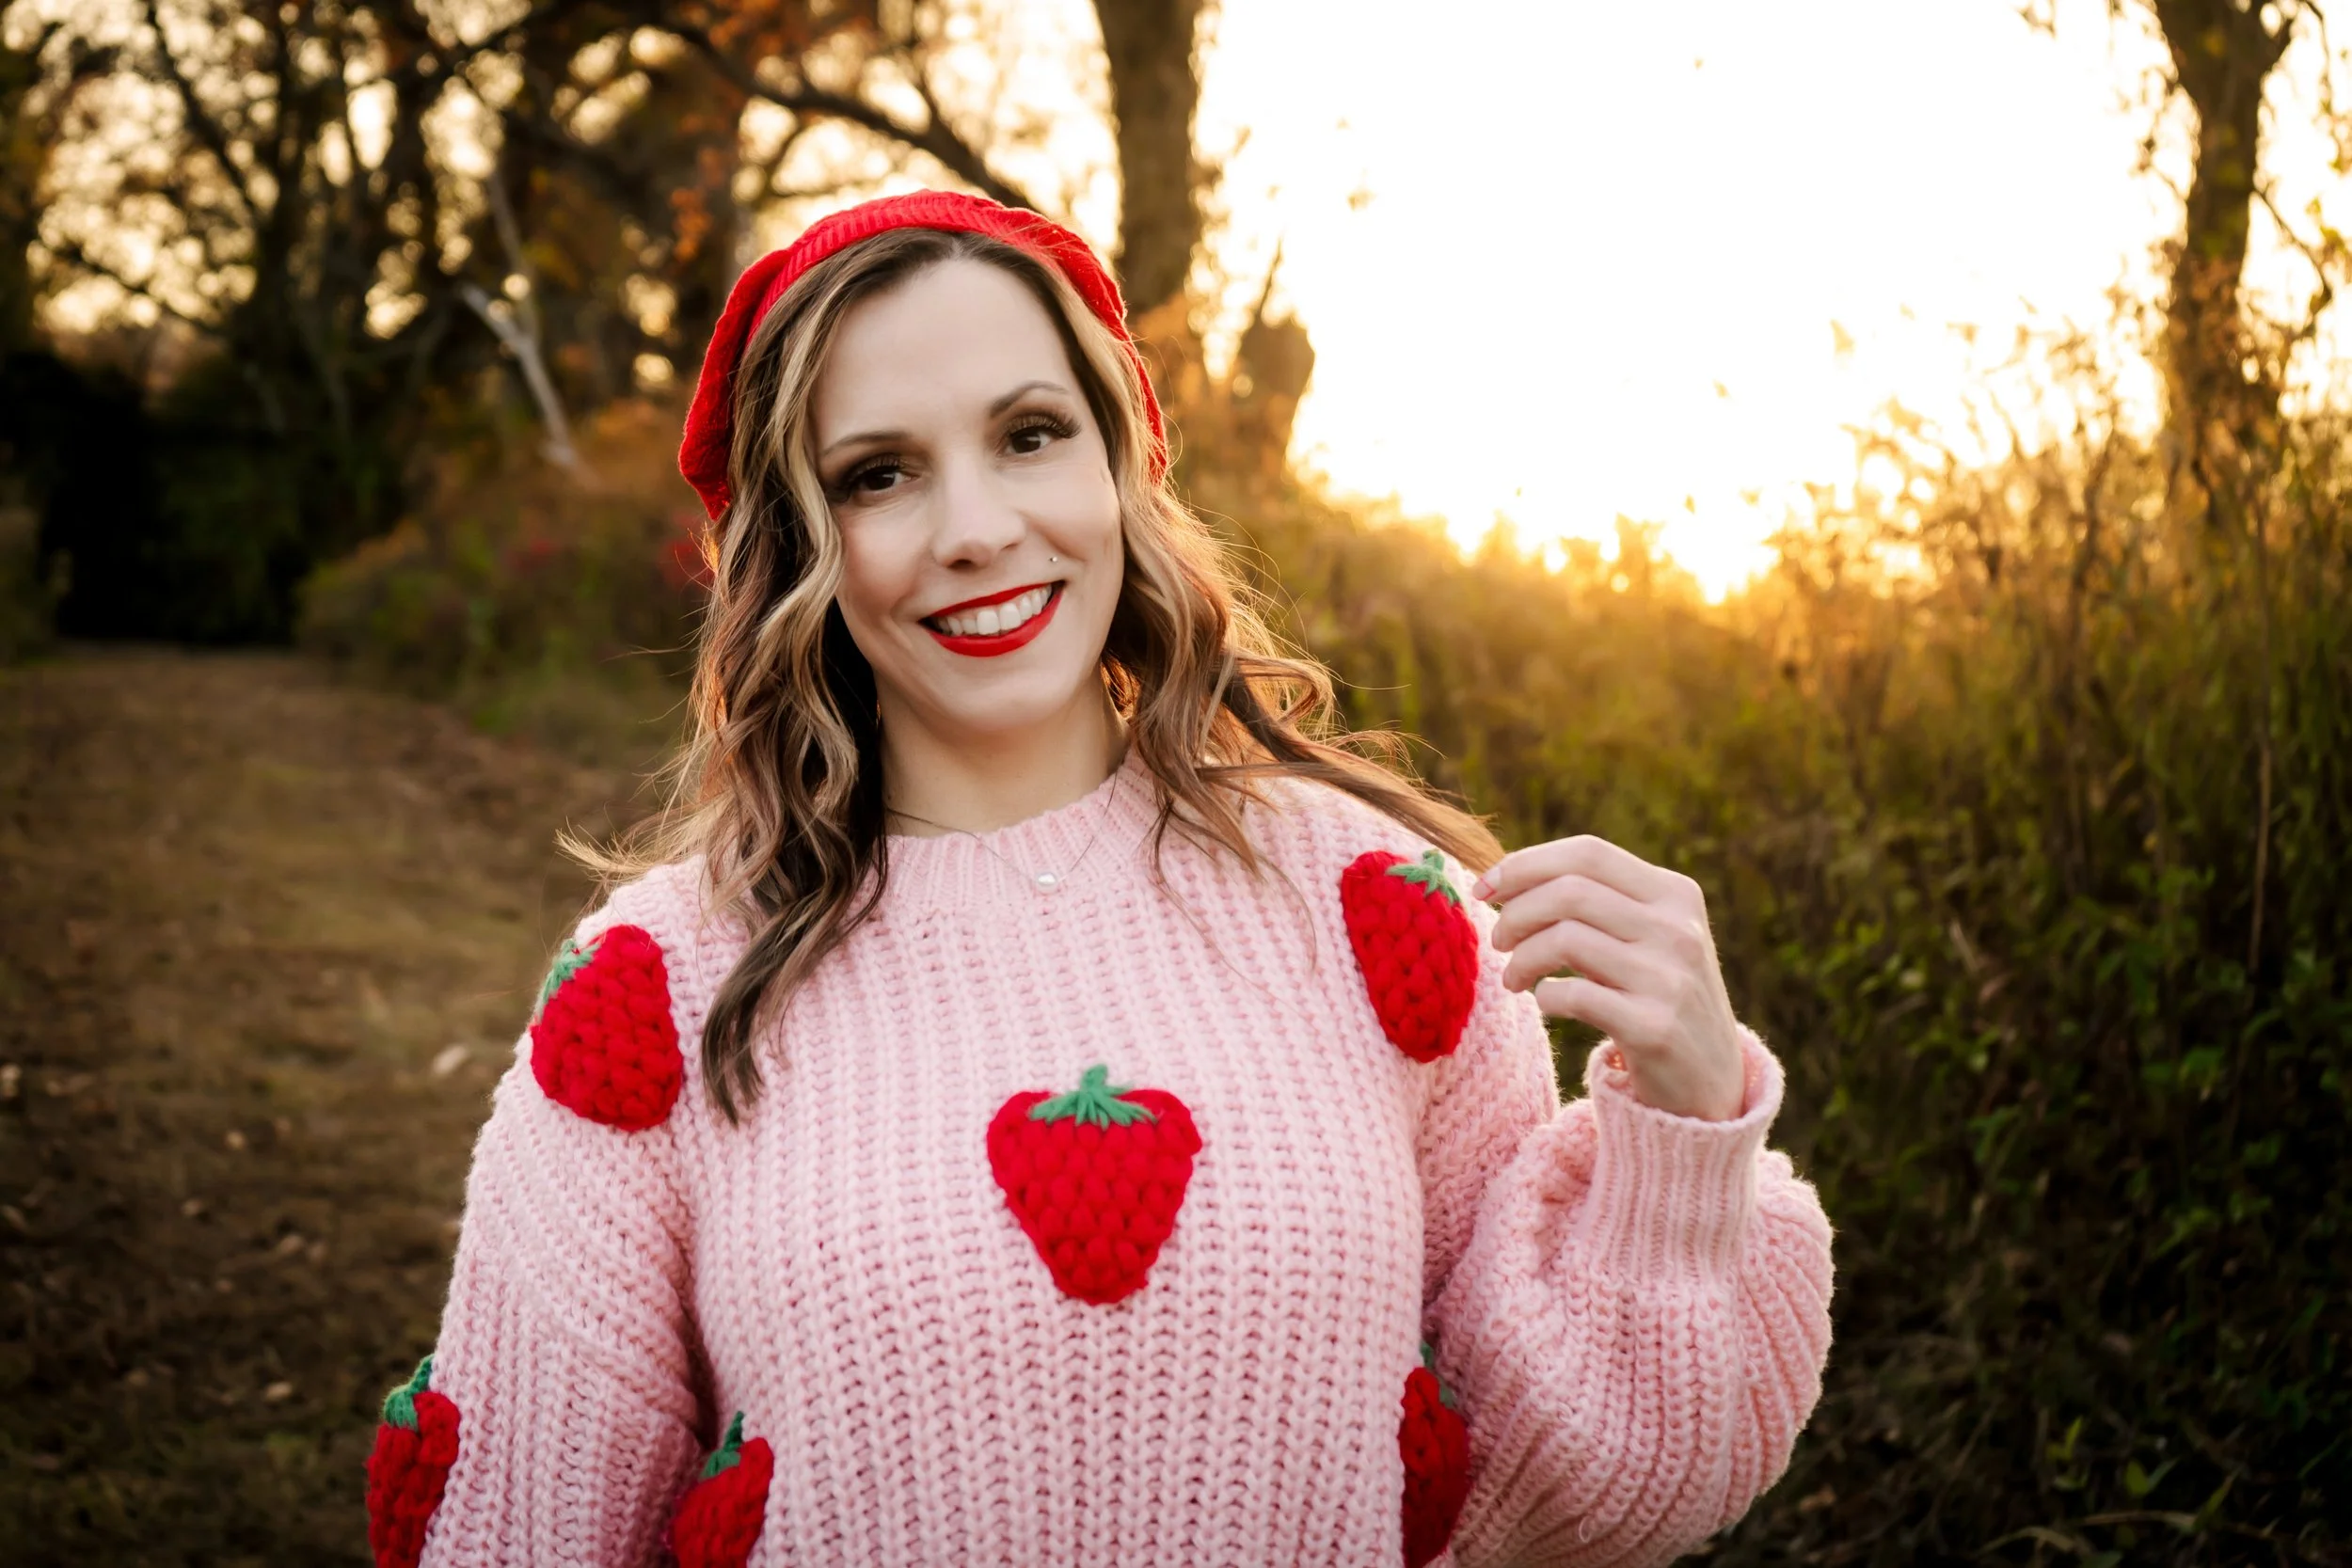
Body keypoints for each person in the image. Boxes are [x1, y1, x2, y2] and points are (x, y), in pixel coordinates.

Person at [361, 190, 1834, 1568]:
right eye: (880, 473)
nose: (978, 528)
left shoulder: (1381, 912)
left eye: (1029, 434)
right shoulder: (657, 990)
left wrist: (1691, 1125)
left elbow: (1572, 1492)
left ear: (1123, 459)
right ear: (795, 543)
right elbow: (512, 1522)